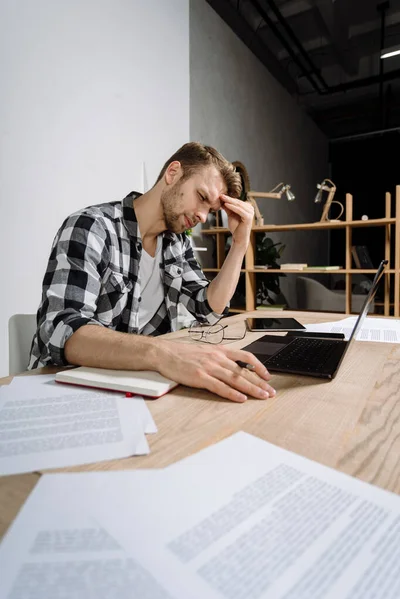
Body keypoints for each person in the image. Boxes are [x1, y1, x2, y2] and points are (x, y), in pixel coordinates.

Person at [29, 142, 275, 403]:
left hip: (133, 386)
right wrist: (164, 354)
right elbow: (62, 328)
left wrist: (239, 245)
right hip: (64, 389)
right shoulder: (92, 227)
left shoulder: (177, 243)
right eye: (202, 197)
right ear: (173, 173)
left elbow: (208, 308)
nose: (203, 216)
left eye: (212, 211)